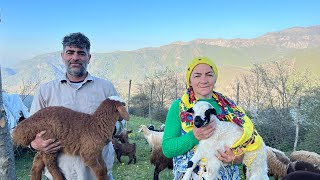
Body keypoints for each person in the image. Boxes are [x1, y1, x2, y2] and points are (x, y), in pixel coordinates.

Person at [29, 32, 120, 180]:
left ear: (89, 57)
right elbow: (32, 127)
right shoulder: (46, 91)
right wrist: (34, 144)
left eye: (81, 53)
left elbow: (121, 122)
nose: (75, 58)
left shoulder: (106, 88)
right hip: (59, 174)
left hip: (97, 175)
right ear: (62, 56)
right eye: (70, 52)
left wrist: (106, 129)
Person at [162, 57, 264, 180]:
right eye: (197, 76)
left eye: (209, 75)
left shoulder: (231, 109)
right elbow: (167, 149)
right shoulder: (178, 107)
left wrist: (237, 158)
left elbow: (247, 143)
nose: (203, 80)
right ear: (189, 80)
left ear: (215, 78)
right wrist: (194, 136)